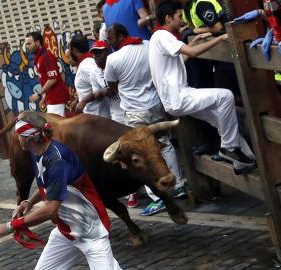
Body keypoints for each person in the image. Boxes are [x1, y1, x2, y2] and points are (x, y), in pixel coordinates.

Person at [0, 111, 122, 270]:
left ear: (29, 138)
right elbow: (49, 185)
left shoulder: (57, 160)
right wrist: (29, 202)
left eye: (19, 135)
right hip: (66, 231)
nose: (17, 139)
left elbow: (49, 210)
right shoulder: (37, 152)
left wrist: (10, 226)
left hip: (90, 232)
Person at [149, 0, 256, 174]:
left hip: (176, 98)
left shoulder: (157, 37)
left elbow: (180, 59)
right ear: (168, 18)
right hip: (179, 97)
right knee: (226, 96)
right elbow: (190, 54)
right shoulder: (162, 36)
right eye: (178, 16)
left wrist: (196, 40)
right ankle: (228, 148)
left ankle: (245, 160)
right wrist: (220, 37)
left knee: (221, 122)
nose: (182, 20)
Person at [105, 23, 187, 215]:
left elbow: (112, 85)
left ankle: (157, 196)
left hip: (134, 112)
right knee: (164, 143)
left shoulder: (114, 59)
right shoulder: (147, 45)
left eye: (111, 39)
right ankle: (179, 183)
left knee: (141, 153)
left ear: (119, 36)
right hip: (155, 104)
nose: (110, 42)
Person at [25, 32, 69, 117]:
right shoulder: (40, 58)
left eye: (29, 44)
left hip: (56, 98)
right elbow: (47, 79)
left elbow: (53, 78)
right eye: (26, 45)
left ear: (37, 43)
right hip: (52, 99)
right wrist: (44, 97)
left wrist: (38, 94)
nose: (27, 47)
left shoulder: (46, 57)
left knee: (55, 127)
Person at [68, 34, 111, 117]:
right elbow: (92, 87)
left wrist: (83, 101)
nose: (68, 52)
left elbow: (103, 86)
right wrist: (78, 99)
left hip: (98, 116)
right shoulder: (87, 62)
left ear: (74, 49)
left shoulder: (86, 65)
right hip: (96, 116)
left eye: (69, 49)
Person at [90, 40, 124, 123]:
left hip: (130, 107)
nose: (96, 55)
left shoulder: (116, 63)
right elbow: (97, 96)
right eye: (94, 53)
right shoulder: (93, 72)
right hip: (116, 113)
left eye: (99, 51)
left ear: (107, 51)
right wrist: (103, 92)